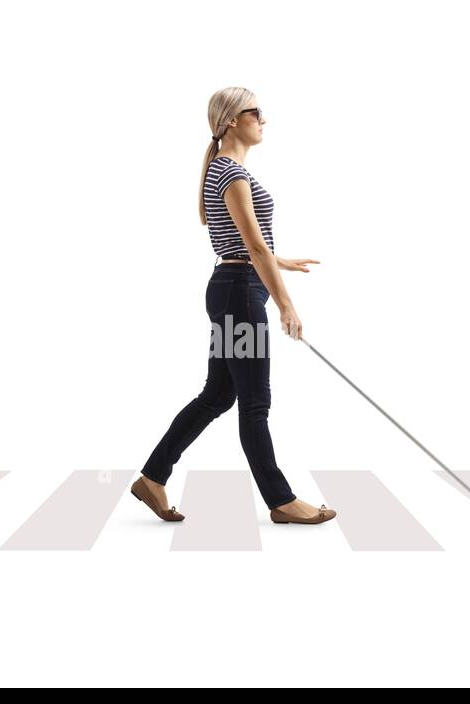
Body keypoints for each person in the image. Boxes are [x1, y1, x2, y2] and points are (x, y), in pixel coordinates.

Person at [130, 87, 337, 526]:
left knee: (219, 394)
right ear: (230, 120)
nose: (263, 119)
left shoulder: (227, 170)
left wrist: (281, 261)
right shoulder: (231, 173)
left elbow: (249, 245)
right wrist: (286, 305)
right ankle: (281, 500)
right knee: (254, 402)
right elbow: (254, 248)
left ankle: (152, 476)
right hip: (241, 295)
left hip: (234, 289)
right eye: (255, 112)